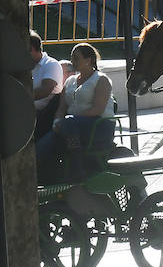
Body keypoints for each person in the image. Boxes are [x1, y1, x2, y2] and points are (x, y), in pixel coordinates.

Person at [35, 43, 115, 182]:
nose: (73, 62)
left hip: (98, 126)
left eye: (76, 58)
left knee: (69, 123)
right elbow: (61, 108)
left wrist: (69, 121)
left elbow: (98, 109)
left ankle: (77, 167)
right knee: (41, 147)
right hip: (71, 128)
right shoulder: (70, 81)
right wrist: (57, 122)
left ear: (88, 60)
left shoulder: (101, 80)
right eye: (72, 58)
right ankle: (46, 179)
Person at [30, 31, 64, 140]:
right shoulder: (27, 66)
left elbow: (45, 90)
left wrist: (20, 98)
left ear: (32, 49)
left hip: (44, 115)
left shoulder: (50, 64)